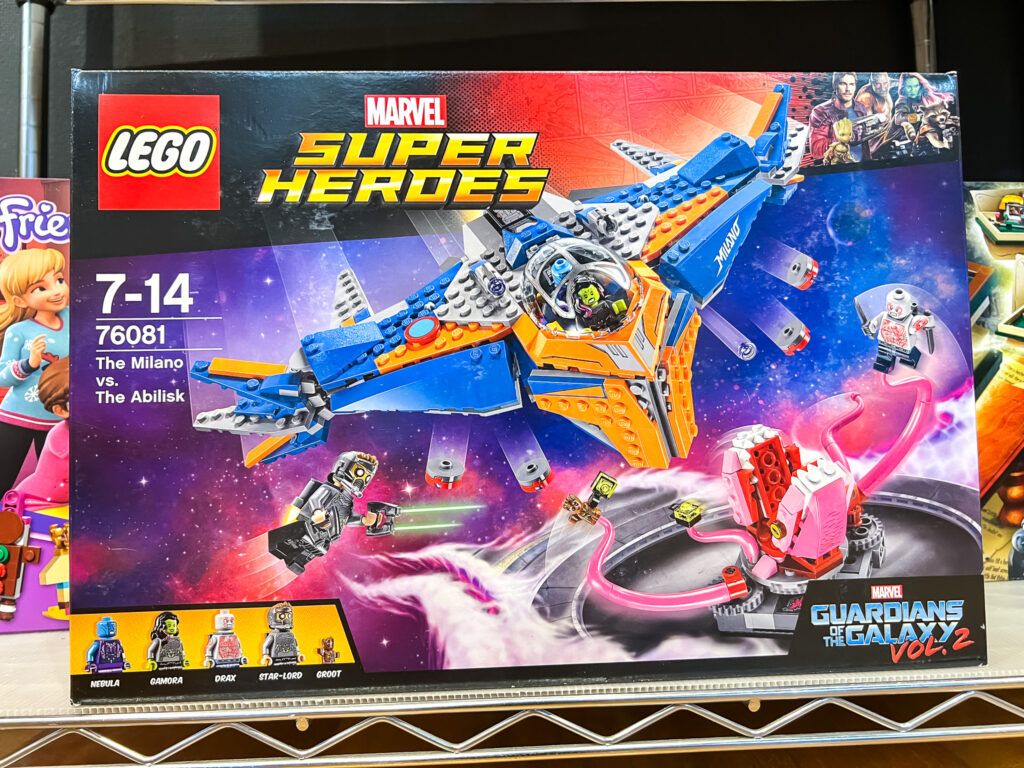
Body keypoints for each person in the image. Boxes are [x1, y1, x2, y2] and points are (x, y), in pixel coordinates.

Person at [0, 249, 69, 493]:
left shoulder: (73, 319)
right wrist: (29, 363)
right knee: (3, 476)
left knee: (54, 485)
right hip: (16, 416)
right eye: (41, 288)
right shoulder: (18, 331)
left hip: (57, 418)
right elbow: (2, 376)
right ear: (20, 301)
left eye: (59, 280)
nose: (57, 291)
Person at [809, 72, 867, 162]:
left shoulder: (861, 107)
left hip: (862, 165)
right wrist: (841, 138)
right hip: (838, 166)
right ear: (835, 85)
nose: (848, 89)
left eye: (851, 84)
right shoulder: (821, 111)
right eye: (843, 84)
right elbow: (816, 149)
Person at [854, 72, 893, 158]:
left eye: (885, 83)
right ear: (871, 83)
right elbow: (865, 129)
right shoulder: (866, 97)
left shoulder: (884, 91)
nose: (883, 88)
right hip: (873, 147)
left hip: (884, 139)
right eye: (878, 84)